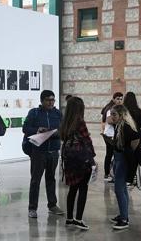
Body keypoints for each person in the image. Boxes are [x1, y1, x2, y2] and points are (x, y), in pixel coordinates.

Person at [23, 90, 64, 219]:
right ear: (42, 101)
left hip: (53, 151)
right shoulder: (34, 113)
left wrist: (54, 133)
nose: (51, 102)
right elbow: (25, 129)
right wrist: (37, 130)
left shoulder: (58, 114)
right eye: (48, 100)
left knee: (51, 179)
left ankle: (52, 205)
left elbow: (63, 130)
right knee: (35, 180)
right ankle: (32, 208)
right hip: (38, 152)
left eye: (53, 100)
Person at [60, 96, 95, 230]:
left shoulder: (65, 121)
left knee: (73, 188)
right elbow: (87, 140)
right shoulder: (80, 121)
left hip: (69, 159)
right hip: (81, 159)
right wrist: (92, 159)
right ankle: (79, 219)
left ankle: (69, 218)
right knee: (83, 188)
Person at [109, 104, 141, 230]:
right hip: (118, 157)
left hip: (123, 159)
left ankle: (124, 219)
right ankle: (123, 214)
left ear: (121, 115)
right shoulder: (119, 125)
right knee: (122, 189)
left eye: (114, 114)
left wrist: (128, 153)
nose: (112, 117)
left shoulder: (127, 126)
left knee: (118, 189)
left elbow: (136, 139)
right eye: (111, 114)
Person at [101, 93, 123, 182]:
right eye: (118, 98)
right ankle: (107, 174)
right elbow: (109, 121)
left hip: (112, 135)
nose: (119, 101)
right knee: (110, 154)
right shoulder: (111, 109)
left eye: (121, 99)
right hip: (110, 135)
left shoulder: (116, 108)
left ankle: (110, 172)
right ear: (113, 99)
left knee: (112, 154)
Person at [123, 92, 141, 186]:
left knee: (126, 156)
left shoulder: (123, 110)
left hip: (126, 135)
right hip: (137, 136)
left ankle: (126, 176)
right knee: (134, 157)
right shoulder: (138, 111)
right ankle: (131, 178)